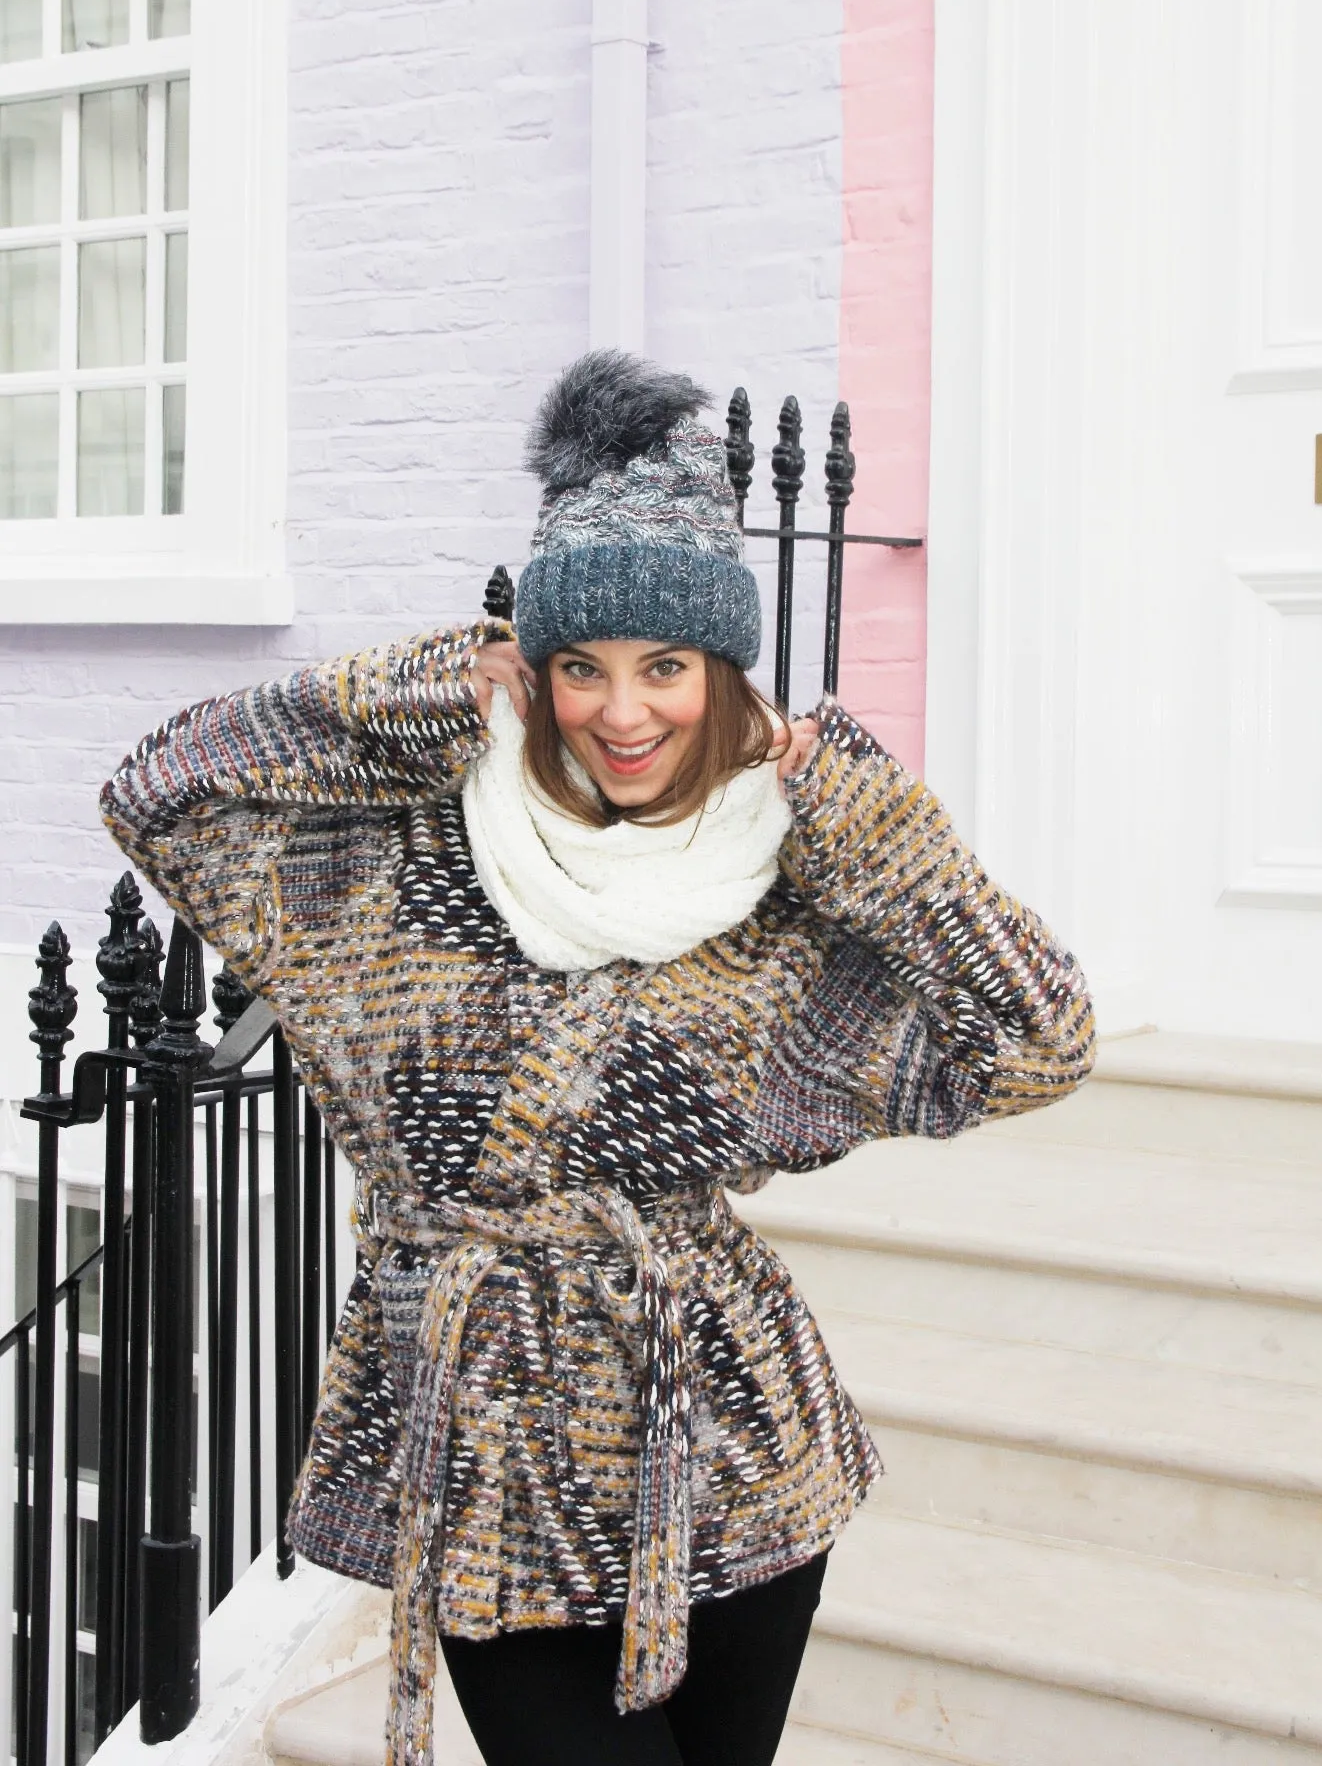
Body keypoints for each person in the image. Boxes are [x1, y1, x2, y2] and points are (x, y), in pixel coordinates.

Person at [101, 351, 1095, 1766]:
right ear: (540, 666)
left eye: (666, 667)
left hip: (735, 1450)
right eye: (583, 666)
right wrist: (434, 690)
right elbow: (160, 791)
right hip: (487, 1451)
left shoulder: (781, 898)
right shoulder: (400, 862)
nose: (624, 713)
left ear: (719, 669)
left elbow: (1039, 1040)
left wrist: (875, 825)